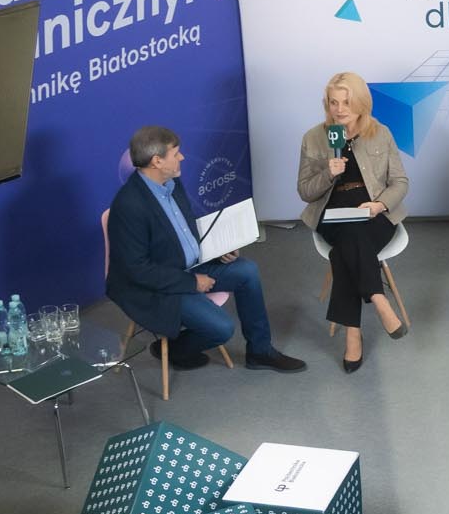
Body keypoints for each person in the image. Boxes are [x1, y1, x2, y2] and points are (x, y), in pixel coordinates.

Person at [105, 125, 305, 374]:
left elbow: (184, 231)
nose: (182, 157)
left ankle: (260, 351)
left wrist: (218, 250)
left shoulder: (171, 184)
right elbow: (137, 271)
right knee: (222, 329)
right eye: (175, 153)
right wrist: (191, 282)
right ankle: (176, 349)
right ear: (157, 161)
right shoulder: (129, 206)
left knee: (247, 271)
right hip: (157, 287)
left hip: (187, 265)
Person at [296, 72, 410, 374]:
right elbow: (305, 191)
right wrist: (328, 173)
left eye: (346, 102)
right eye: (333, 103)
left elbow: (400, 182)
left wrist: (380, 205)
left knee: (345, 249)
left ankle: (353, 334)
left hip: (375, 214)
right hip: (332, 214)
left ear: (361, 103)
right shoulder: (313, 137)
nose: (339, 109)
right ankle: (378, 298)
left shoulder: (381, 133)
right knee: (349, 233)